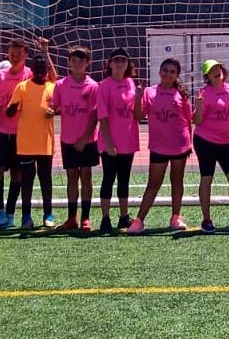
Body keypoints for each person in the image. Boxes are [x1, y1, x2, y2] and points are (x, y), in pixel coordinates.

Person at [132, 58, 192, 234]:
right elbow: (138, 115)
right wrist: (137, 97)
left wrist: (190, 144)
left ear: (177, 75)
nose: (168, 74)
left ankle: (175, 217)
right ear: (159, 72)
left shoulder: (181, 94)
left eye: (172, 72)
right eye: (165, 70)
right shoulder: (149, 92)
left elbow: (188, 121)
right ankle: (139, 220)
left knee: (177, 181)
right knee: (153, 184)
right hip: (158, 146)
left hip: (180, 144)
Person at [52, 46, 99, 232]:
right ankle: (72, 218)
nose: (77, 63)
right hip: (68, 139)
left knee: (86, 176)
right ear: (69, 62)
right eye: (74, 60)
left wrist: (84, 138)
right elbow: (54, 106)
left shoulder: (93, 86)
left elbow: (95, 116)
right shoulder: (61, 85)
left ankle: (86, 218)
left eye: (81, 60)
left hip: (87, 141)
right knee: (72, 177)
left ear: (87, 62)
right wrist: (49, 111)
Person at [6, 54, 56, 230]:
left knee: (45, 179)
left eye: (44, 70)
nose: (41, 72)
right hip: (26, 143)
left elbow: (59, 107)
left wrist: (54, 111)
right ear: (32, 70)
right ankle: (26, 216)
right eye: (38, 69)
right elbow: (10, 112)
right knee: (27, 180)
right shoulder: (22, 87)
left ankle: (48, 214)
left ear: (47, 71)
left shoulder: (52, 87)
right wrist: (11, 107)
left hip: (45, 143)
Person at [193, 59, 229, 233]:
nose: (215, 71)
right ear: (207, 76)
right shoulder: (204, 93)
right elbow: (197, 121)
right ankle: (206, 220)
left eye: (217, 68)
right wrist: (198, 108)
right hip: (205, 141)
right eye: (211, 70)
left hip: (225, 142)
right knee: (207, 178)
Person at [0, 39, 33, 230]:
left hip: (20, 132)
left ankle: (10, 211)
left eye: (19, 53)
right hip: (0, 130)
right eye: (12, 53)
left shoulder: (29, 75)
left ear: (25, 55)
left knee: (17, 174)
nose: (15, 56)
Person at [96, 48, 139, 233]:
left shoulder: (131, 83)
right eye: (116, 60)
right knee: (108, 179)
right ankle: (105, 218)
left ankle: (124, 216)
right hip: (110, 143)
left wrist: (139, 98)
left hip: (128, 140)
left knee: (124, 180)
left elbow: (137, 113)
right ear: (110, 64)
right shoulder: (104, 86)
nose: (120, 63)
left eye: (123, 60)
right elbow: (102, 117)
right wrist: (109, 142)